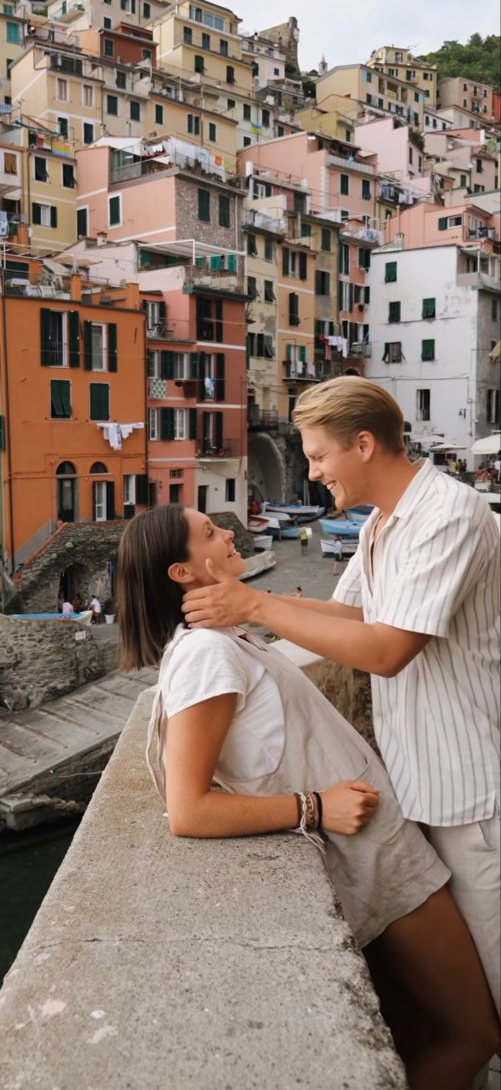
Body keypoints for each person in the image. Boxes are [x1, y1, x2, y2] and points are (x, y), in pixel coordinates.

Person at [117, 505, 499, 1089]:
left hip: (380, 853)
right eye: (209, 534)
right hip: (376, 864)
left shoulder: (224, 638)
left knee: (419, 1036)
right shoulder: (206, 655)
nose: (227, 532)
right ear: (182, 573)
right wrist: (315, 806)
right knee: (475, 1035)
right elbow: (188, 810)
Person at [181, 376, 501, 1028]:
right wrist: (242, 616)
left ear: (362, 444)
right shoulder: (383, 525)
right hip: (420, 784)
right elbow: (344, 612)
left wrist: (253, 603)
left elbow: (385, 649)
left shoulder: (449, 515)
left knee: (491, 998)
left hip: (473, 793)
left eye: (318, 456)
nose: (312, 471)